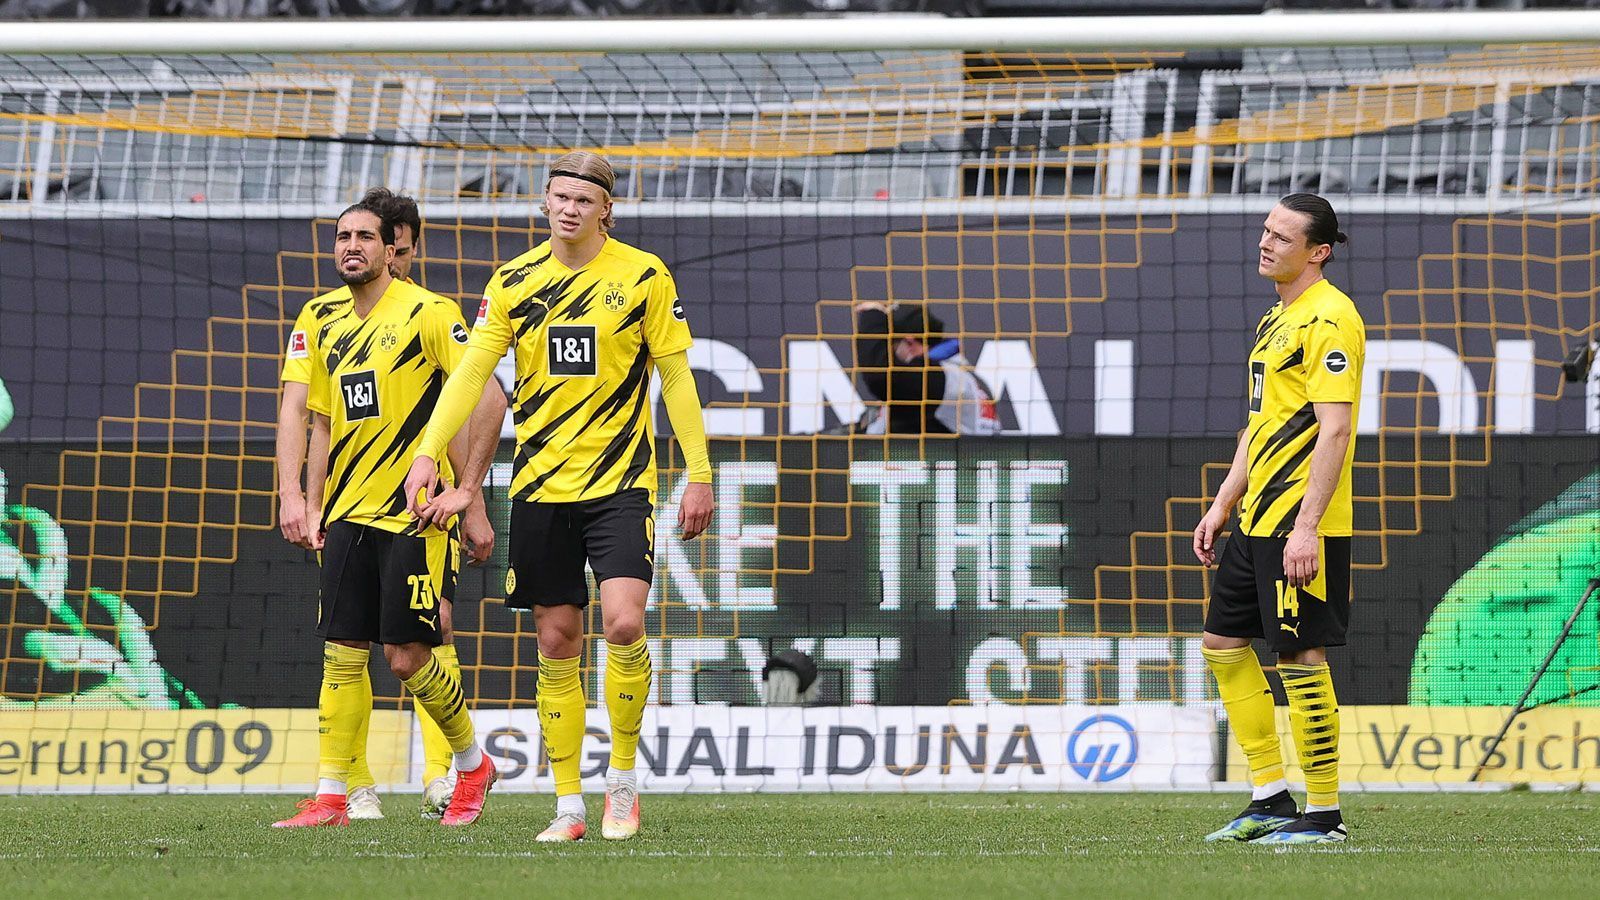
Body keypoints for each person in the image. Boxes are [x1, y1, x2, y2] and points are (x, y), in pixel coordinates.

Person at [403, 151, 714, 842]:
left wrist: (700, 471)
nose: (569, 208)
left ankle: (623, 781)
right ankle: (568, 803)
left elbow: (677, 377)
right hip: (541, 487)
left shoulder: (642, 275)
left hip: (621, 484)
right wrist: (429, 452)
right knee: (556, 640)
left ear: (608, 209)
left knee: (625, 624)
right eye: (559, 196)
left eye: (584, 199)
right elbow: (470, 374)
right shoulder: (514, 281)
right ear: (544, 202)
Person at [272, 197, 506, 828]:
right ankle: (334, 796)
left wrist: (471, 494)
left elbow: (486, 394)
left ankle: (468, 762)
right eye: (342, 236)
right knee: (343, 651)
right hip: (347, 513)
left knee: (406, 656)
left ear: (390, 247)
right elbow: (303, 412)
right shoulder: (317, 318)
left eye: (366, 237)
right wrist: (298, 497)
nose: (352, 246)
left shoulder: (431, 313)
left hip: (416, 513)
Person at [1192, 193, 1365, 845]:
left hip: (1297, 518)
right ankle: (1269, 797)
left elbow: (1336, 428)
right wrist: (1223, 500)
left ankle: (1323, 816)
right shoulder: (1275, 319)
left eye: (1282, 237)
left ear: (1318, 251)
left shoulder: (1331, 318)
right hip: (1255, 519)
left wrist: (1307, 527)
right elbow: (1260, 425)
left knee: (1298, 652)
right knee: (1222, 644)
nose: (1266, 244)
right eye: (1265, 231)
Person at [853, 302, 999, 435]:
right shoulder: (959, 373)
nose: (891, 358)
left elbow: (879, 375)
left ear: (909, 343)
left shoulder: (935, 377)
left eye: (891, 350)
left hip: (952, 460)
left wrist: (871, 317)